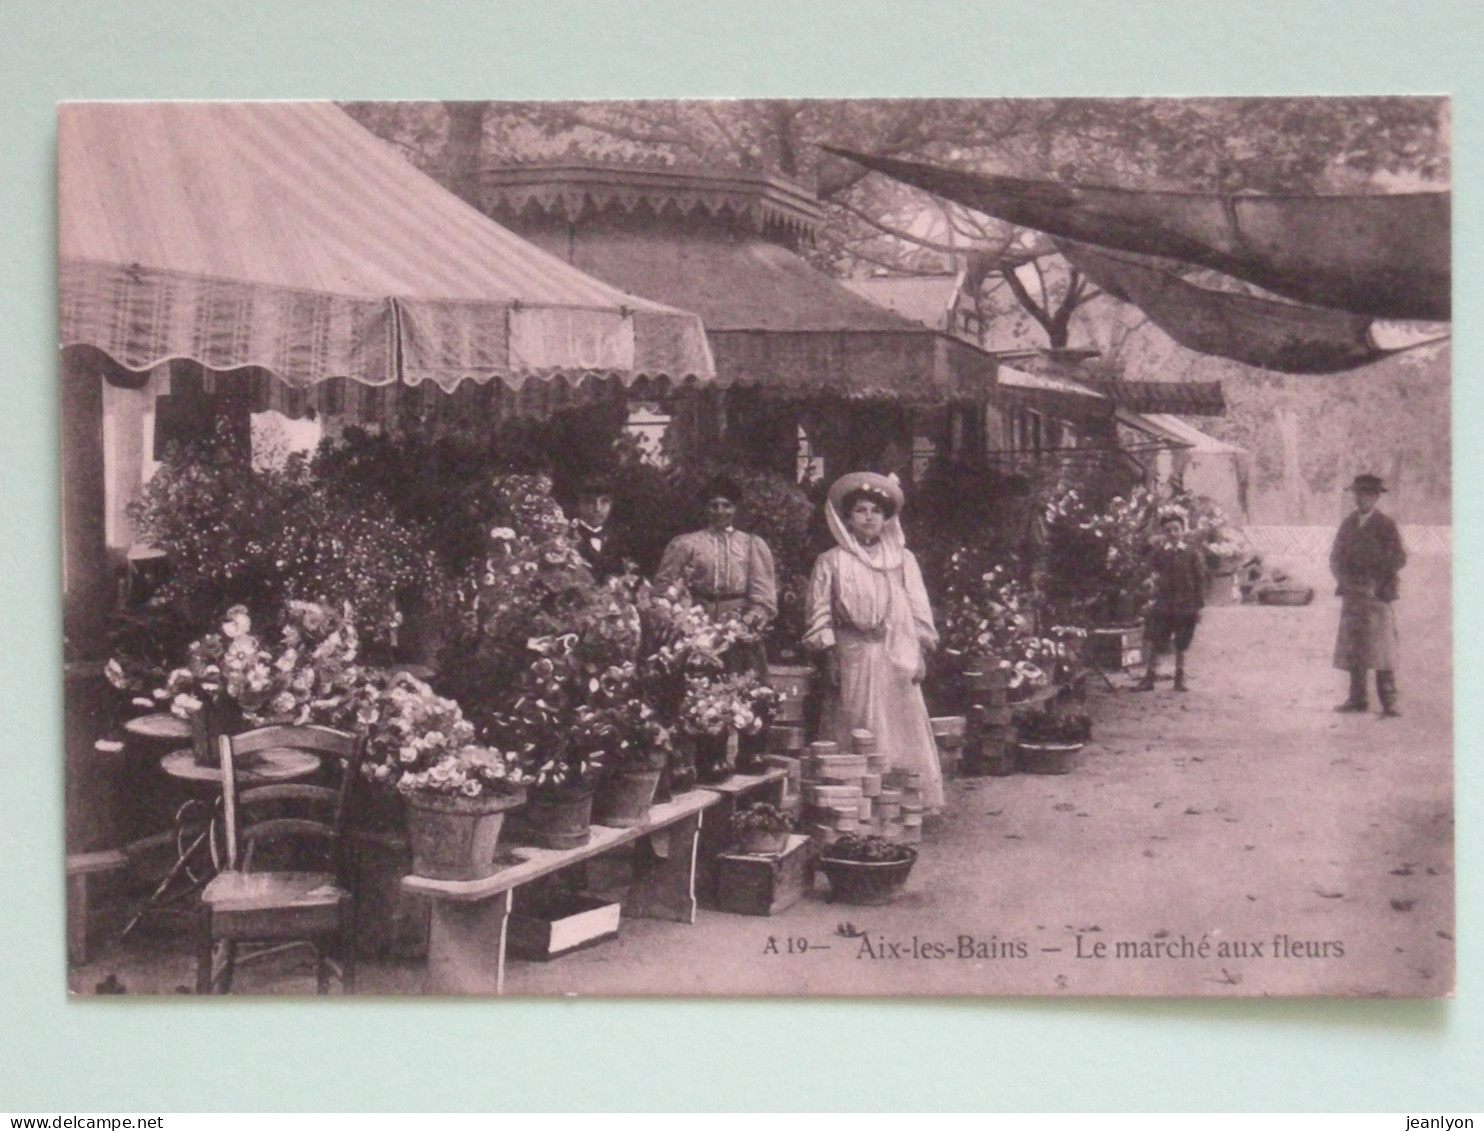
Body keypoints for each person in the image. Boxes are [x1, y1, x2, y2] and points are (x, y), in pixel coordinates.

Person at [803, 471, 943, 811]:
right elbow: (819, 612)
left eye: (876, 512)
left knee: (898, 725)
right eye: (861, 511)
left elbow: (917, 608)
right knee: (856, 722)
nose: (869, 517)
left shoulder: (901, 560)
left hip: (895, 652)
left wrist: (920, 652)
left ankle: (898, 801)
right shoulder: (832, 561)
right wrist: (830, 655)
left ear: (886, 519)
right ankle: (853, 803)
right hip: (852, 652)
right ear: (847, 519)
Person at [655, 472, 778, 643]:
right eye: (714, 506)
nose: (720, 511)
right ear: (705, 508)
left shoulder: (750, 544)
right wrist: (677, 617)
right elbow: (665, 586)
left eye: (726, 505)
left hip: (739, 624)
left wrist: (750, 620)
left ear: (735, 508)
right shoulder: (688, 544)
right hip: (695, 623)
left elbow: (763, 594)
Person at [1330, 473, 1407, 718]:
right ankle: (1357, 698)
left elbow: (1399, 557)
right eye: (1357, 494)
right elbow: (1336, 557)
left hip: (1377, 592)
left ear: (1376, 497)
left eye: (1366, 494)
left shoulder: (1386, 525)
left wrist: (1380, 580)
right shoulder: (1348, 523)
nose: (1360, 498)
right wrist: (1344, 579)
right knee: (1354, 645)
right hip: (1353, 591)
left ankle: (1389, 701)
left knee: (1382, 647)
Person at [1136, 510, 1207, 692]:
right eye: (1168, 530)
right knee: (1156, 638)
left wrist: (1199, 606)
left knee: (1182, 642)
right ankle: (1149, 677)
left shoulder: (1191, 554)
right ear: (1163, 533)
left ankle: (1179, 678)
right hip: (1164, 603)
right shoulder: (1159, 553)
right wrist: (1143, 583)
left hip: (1186, 603)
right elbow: (1146, 569)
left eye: (1176, 529)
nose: (1173, 534)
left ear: (1183, 531)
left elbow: (1199, 580)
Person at [568, 476, 627, 582]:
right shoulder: (568, 535)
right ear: (578, 504)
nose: (597, 509)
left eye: (604, 502)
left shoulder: (617, 538)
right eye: (590, 502)